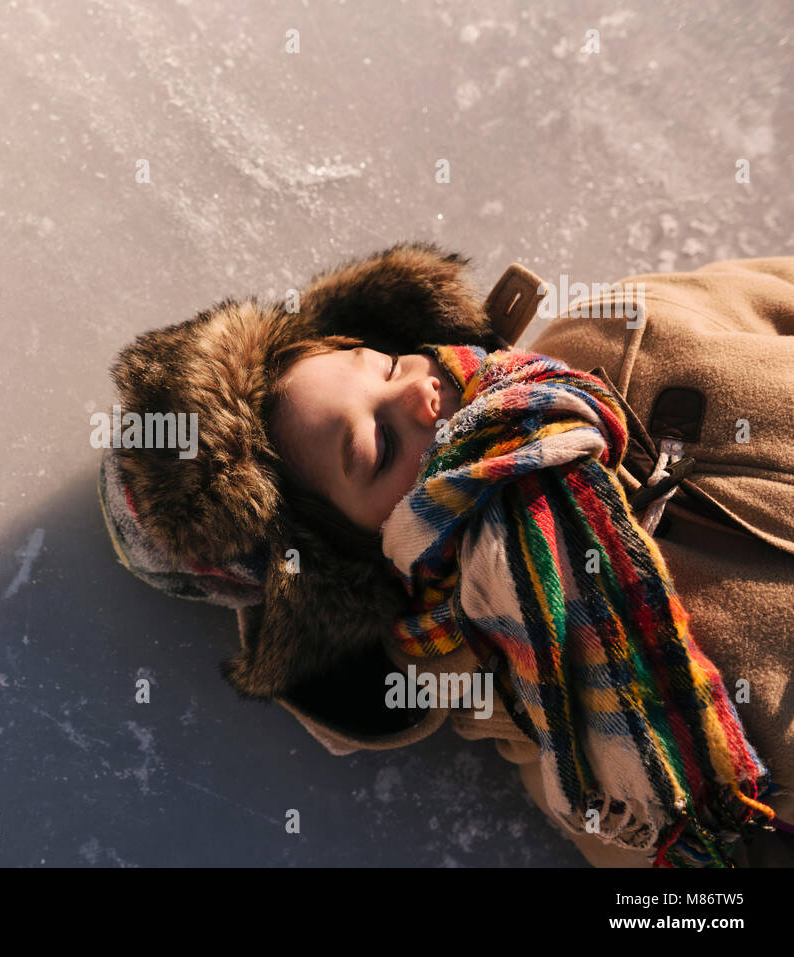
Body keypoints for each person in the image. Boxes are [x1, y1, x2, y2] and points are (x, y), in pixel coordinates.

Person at [100, 242, 794, 866]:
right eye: (378, 445)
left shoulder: (621, 332)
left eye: (388, 363)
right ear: (354, 557)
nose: (416, 389)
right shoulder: (534, 688)